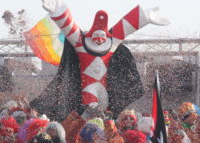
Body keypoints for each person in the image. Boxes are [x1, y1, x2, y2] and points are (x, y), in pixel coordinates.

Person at [31, 0, 170, 120]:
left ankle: (105, 130)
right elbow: (69, 27)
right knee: (90, 109)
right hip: (88, 86)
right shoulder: (81, 43)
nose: (99, 40)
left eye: (102, 37)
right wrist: (58, 10)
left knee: (106, 112)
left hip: (104, 87)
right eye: (96, 36)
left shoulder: (111, 43)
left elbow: (125, 27)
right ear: (91, 35)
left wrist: (145, 16)